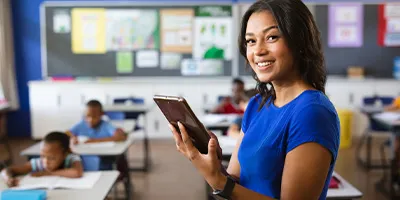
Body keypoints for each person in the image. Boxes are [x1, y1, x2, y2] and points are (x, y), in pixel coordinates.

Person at [169, 0, 340, 199]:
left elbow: (228, 186)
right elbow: (236, 180)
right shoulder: (257, 105)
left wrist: (219, 182)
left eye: (272, 37)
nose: (258, 51)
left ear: (300, 42)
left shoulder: (313, 112)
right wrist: (212, 164)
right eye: (251, 41)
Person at [1, 132, 83, 187]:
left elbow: (76, 172)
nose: (45, 162)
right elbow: (7, 170)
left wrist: (48, 173)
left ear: (65, 154)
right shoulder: (39, 163)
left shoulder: (71, 158)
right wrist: (7, 178)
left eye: (51, 158)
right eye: (42, 156)